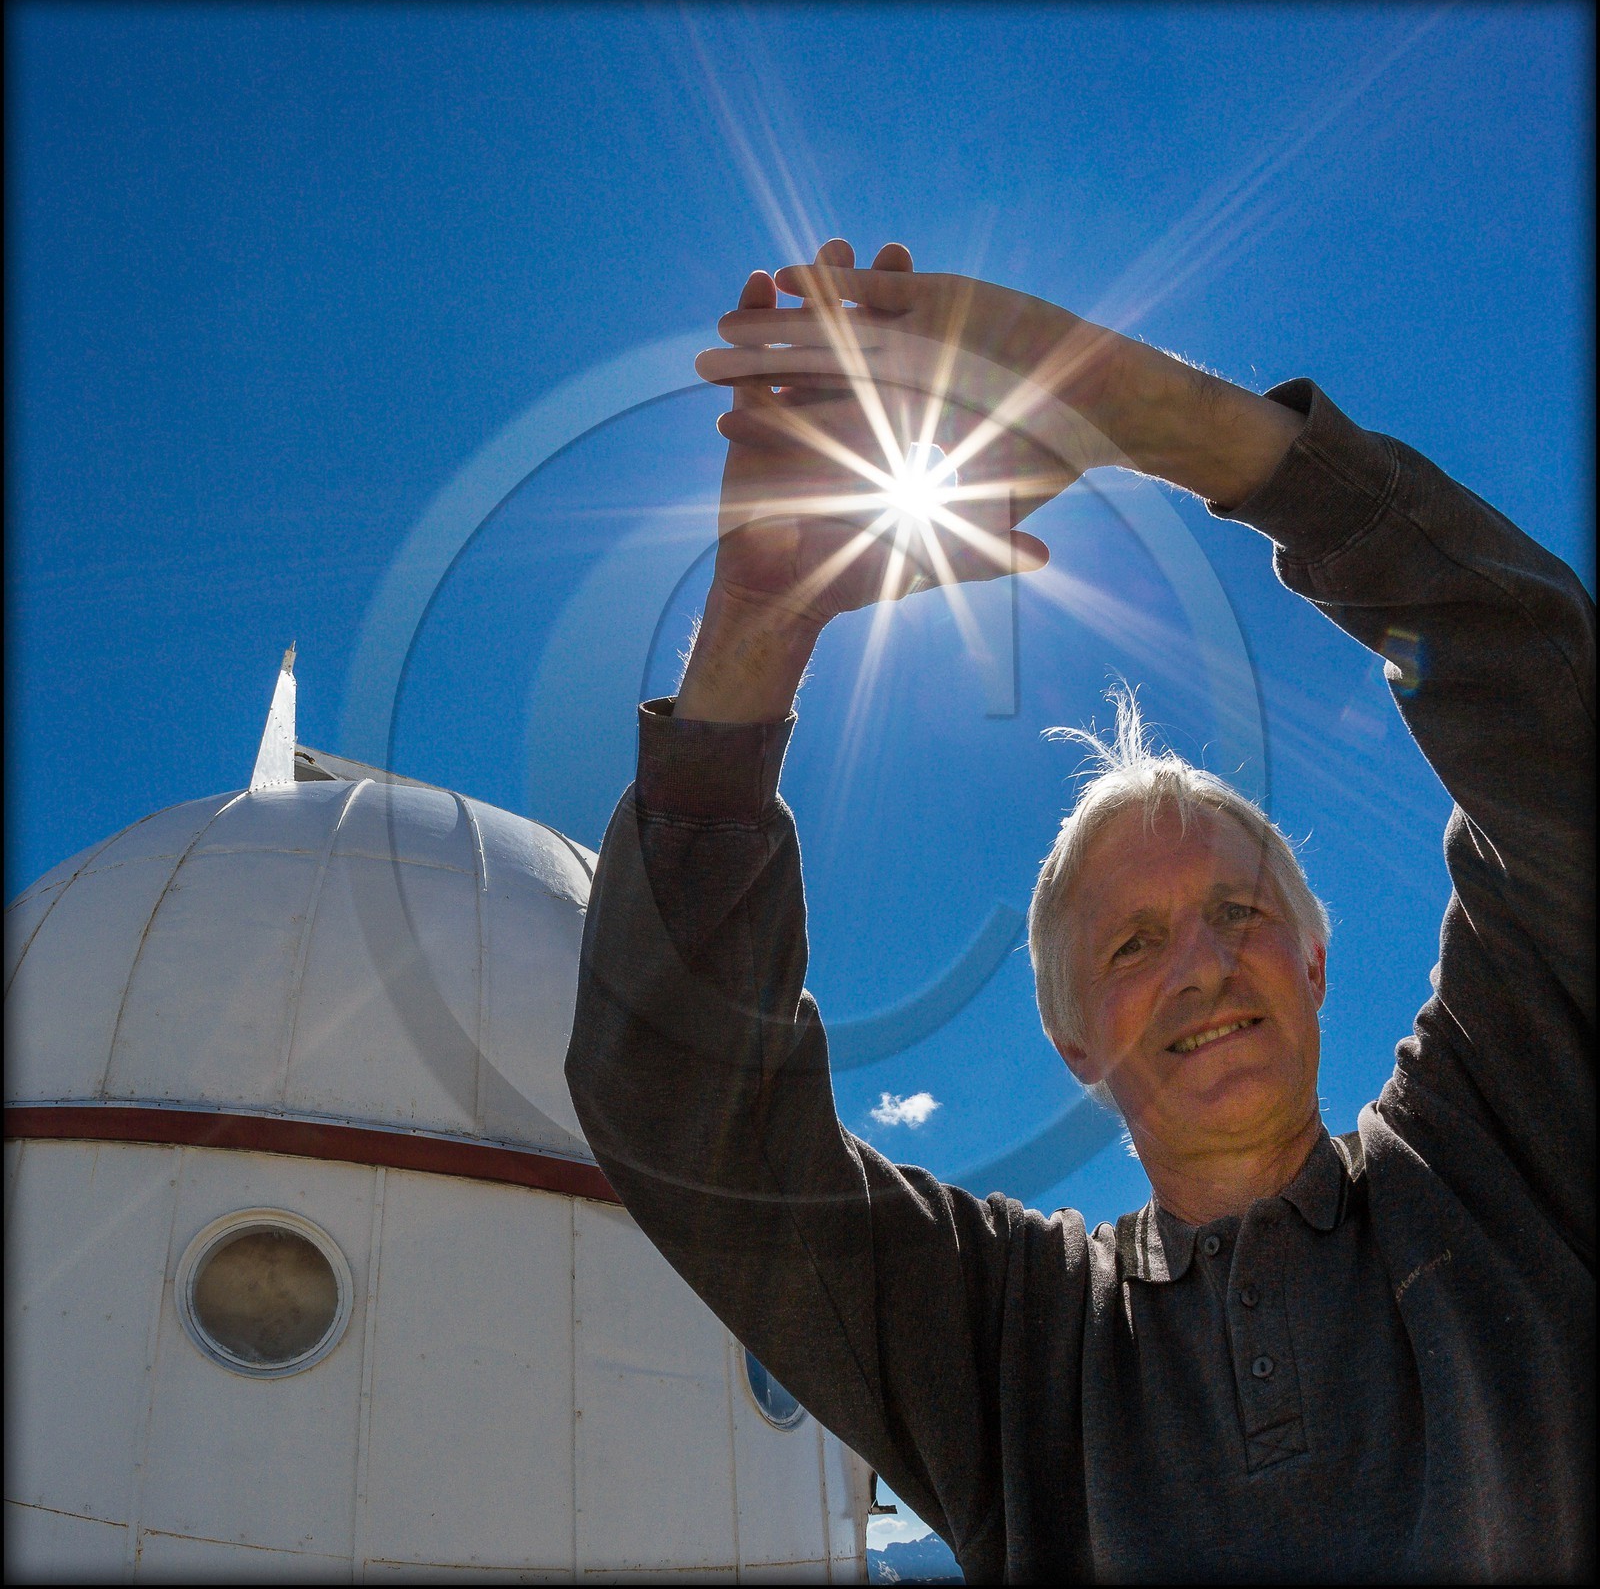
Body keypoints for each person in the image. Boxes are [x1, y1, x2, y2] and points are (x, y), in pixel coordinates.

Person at [564, 239, 1593, 1582]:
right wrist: (761, 621)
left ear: (1315, 959)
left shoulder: (1499, 1169)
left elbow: (1556, 734)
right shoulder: (1018, 1344)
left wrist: (1154, 417)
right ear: (1072, 1044)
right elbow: (678, 1111)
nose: (1202, 967)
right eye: (1132, 945)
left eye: (1237, 911)